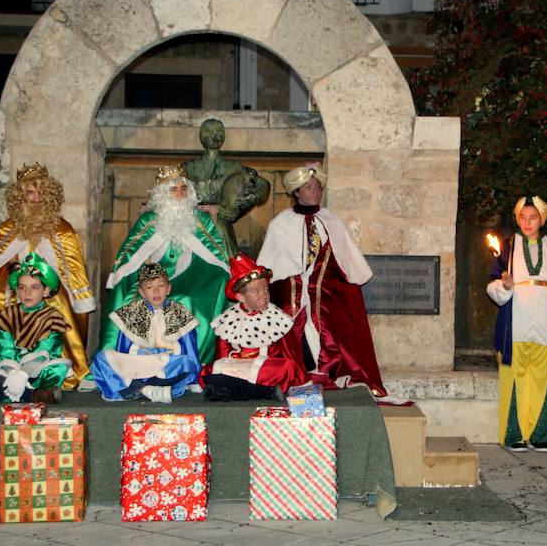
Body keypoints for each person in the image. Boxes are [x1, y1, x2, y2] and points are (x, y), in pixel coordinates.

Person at [256, 163, 387, 397]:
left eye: (317, 186)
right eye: (308, 187)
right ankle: (296, 374)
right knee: (291, 330)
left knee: (331, 330)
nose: (315, 191)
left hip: (325, 295)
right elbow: (270, 266)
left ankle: (329, 372)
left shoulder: (331, 221)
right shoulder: (280, 224)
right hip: (292, 295)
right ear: (296, 192)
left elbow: (346, 260)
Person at [0, 162, 94, 390]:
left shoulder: (62, 228)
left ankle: (65, 368)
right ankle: (10, 362)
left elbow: (72, 269)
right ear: (20, 196)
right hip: (17, 285)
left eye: (41, 192)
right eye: (30, 193)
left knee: (59, 304)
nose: (36, 198)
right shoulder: (8, 228)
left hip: (50, 289)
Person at [102, 164, 230, 365]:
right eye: (174, 189)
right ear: (163, 194)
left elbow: (216, 256)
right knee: (129, 292)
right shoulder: (148, 220)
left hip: (193, 276)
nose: (180, 194)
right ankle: (125, 360)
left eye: (183, 189)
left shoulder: (201, 220)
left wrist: (222, 274)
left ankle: (196, 362)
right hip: (154, 276)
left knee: (192, 295)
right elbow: (130, 254)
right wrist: (121, 275)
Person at [486, 196, 547, 453]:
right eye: (522, 217)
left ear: (542, 219)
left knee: (542, 376)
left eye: (533, 217)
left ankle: (539, 434)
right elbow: (491, 286)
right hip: (517, 321)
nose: (527, 222)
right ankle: (514, 434)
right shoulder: (506, 247)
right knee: (515, 376)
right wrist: (504, 286)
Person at [201, 253, 308, 401]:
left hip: (265, 367)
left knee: (287, 367)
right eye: (255, 291)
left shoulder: (277, 318)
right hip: (236, 365)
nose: (264, 295)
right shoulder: (228, 320)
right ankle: (264, 391)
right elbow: (222, 354)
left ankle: (230, 391)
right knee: (208, 370)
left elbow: (290, 355)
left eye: (265, 290)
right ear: (240, 297)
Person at [0, 252, 72, 403]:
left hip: (36, 370)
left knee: (58, 369)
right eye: (22, 287)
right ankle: (31, 396)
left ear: (46, 290)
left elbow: (45, 352)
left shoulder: (53, 317)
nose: (27, 293)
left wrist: (22, 375)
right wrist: (12, 373)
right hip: (8, 370)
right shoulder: (8, 314)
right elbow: (4, 350)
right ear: (16, 290)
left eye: (34, 287)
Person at [91, 263, 201, 403]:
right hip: (139, 364)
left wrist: (194, 379)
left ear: (168, 288)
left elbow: (190, 351)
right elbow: (123, 349)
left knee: (186, 362)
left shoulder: (179, 312)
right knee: (102, 357)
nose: (156, 291)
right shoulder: (133, 313)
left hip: (166, 365)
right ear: (142, 292)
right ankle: (144, 389)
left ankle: (135, 389)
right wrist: (122, 366)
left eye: (160, 286)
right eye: (149, 287)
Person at [184, 118, 271, 254]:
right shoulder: (188, 167)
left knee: (220, 231)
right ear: (202, 136)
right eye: (210, 131)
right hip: (192, 223)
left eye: (219, 132)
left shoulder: (234, 167)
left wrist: (238, 208)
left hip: (220, 224)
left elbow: (262, 186)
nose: (215, 136)